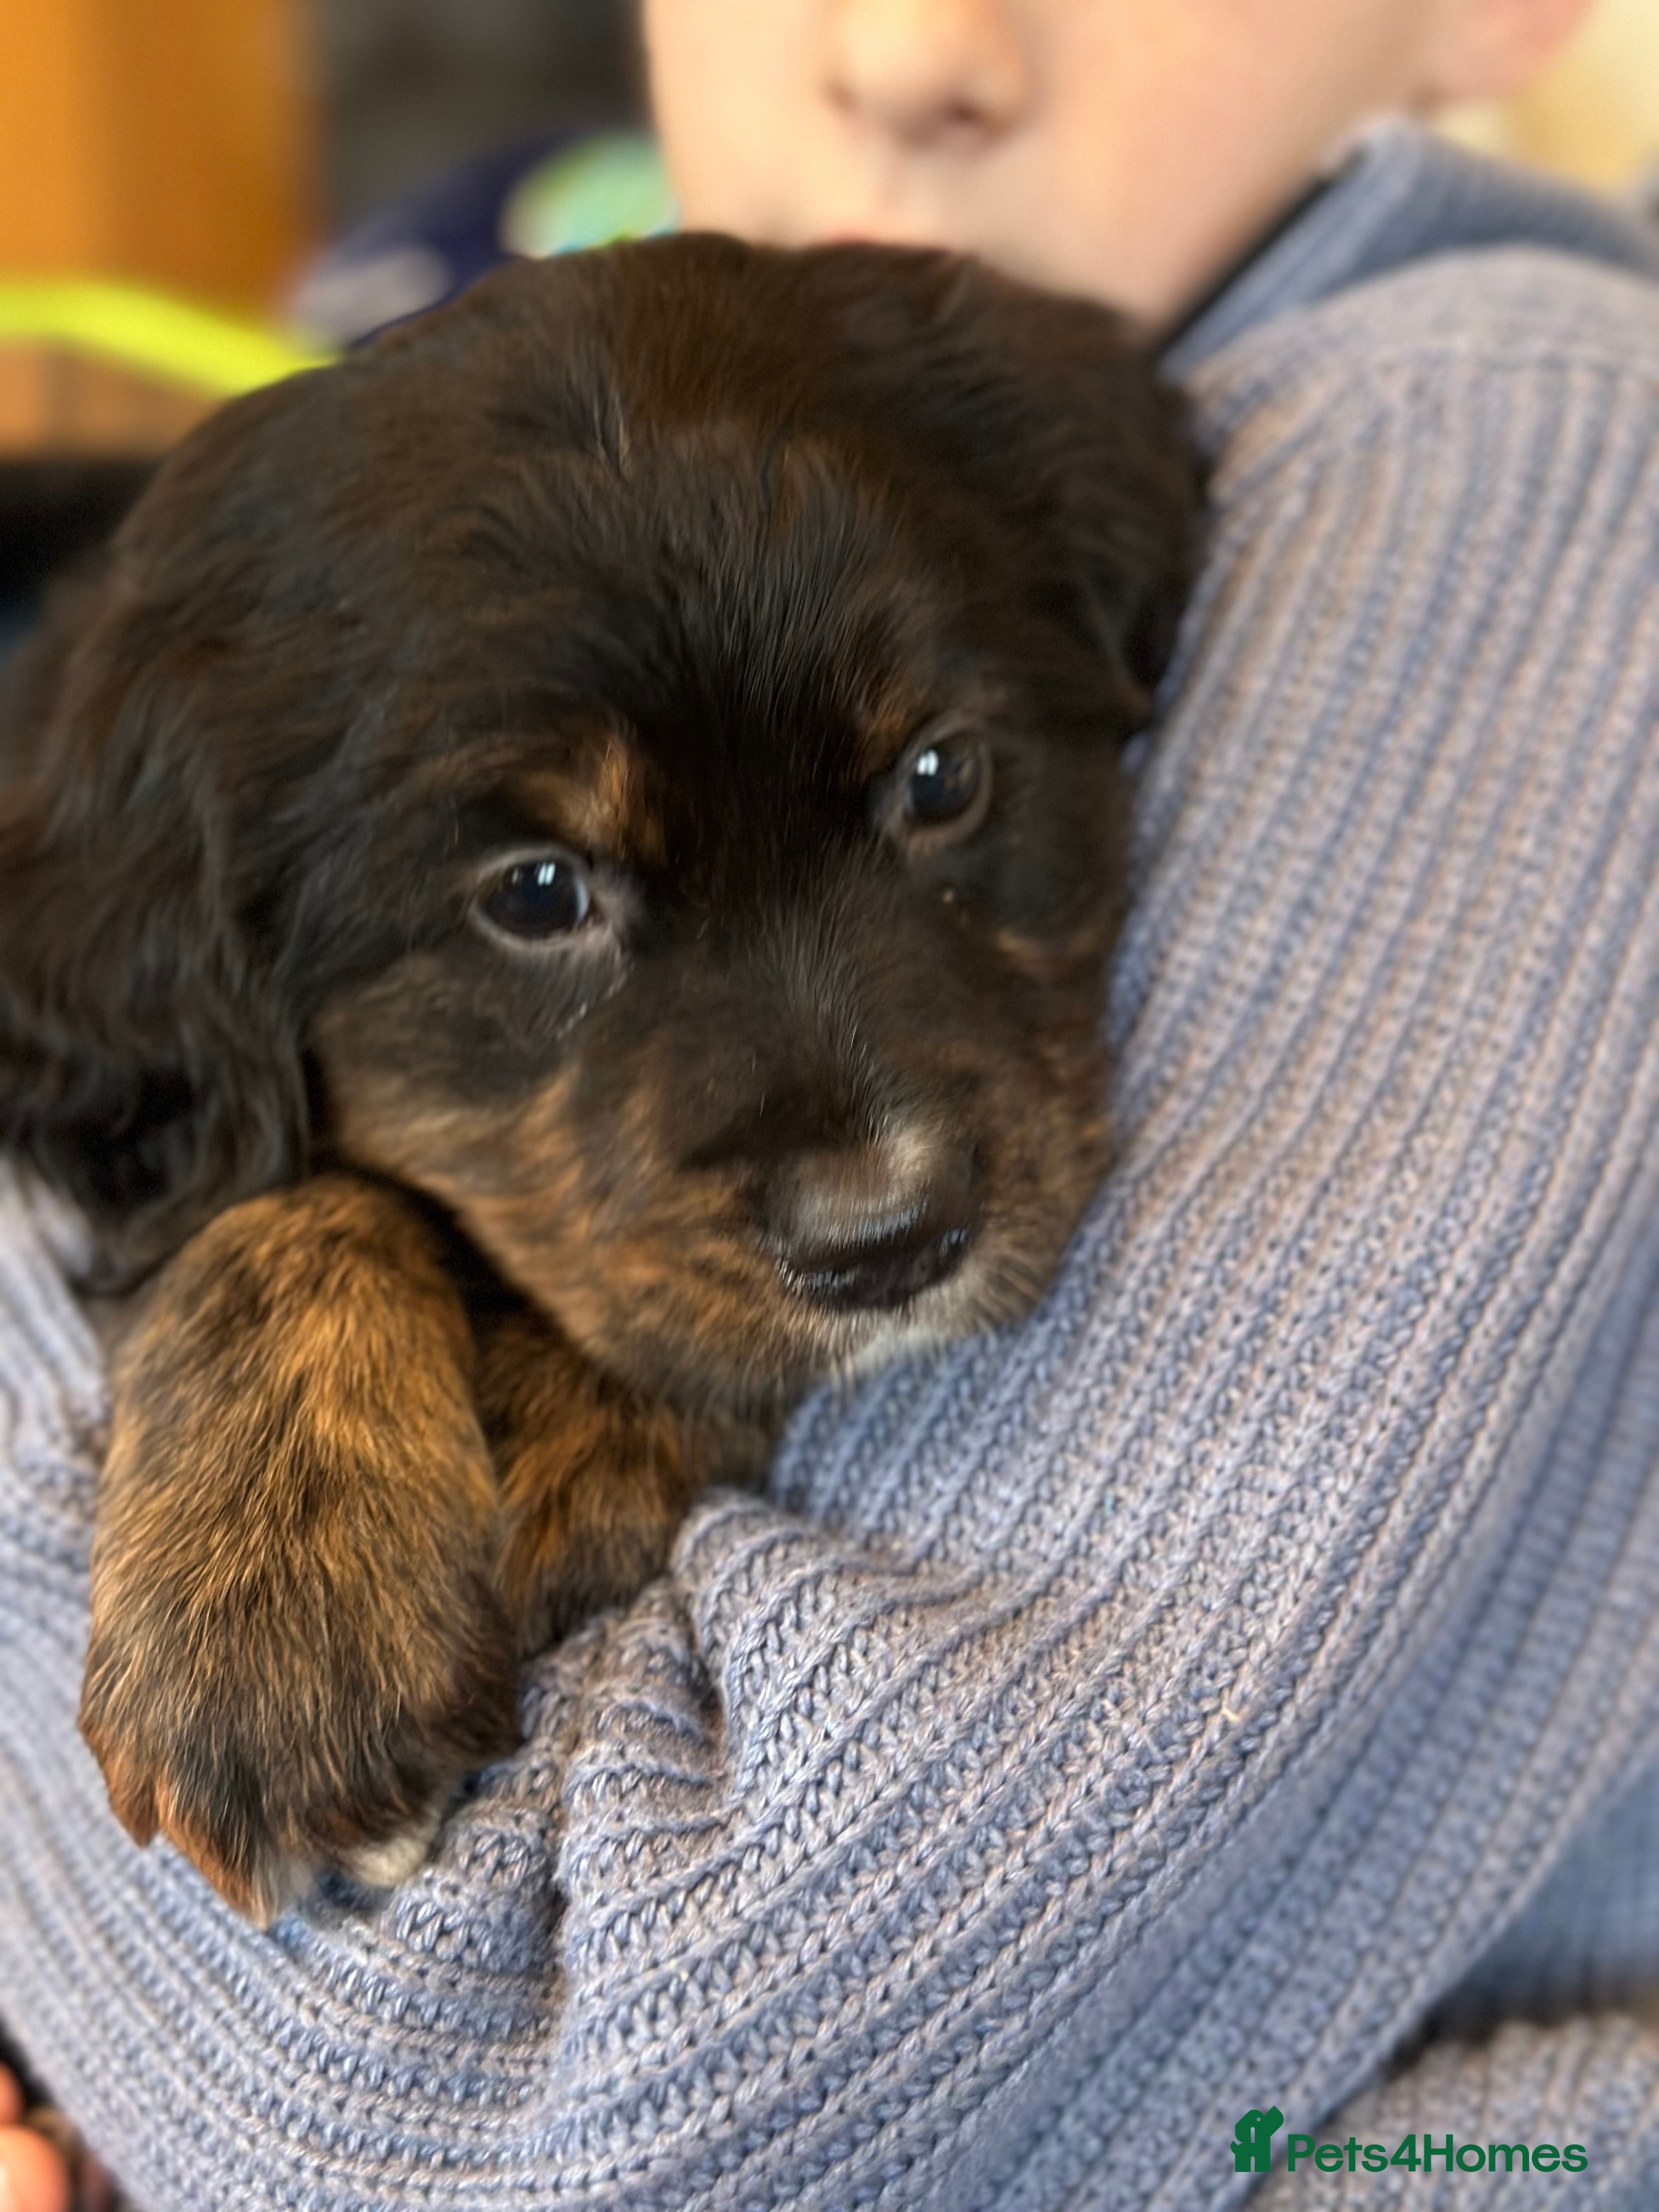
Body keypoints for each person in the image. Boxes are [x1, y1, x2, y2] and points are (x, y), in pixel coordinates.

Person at [9, 0, 1659, 2205]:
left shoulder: (1506, 453)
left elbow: (625, 2119)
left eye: (940, 787)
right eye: (539, 889)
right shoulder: (534, 463)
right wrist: (282, 1274)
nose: (911, 43)